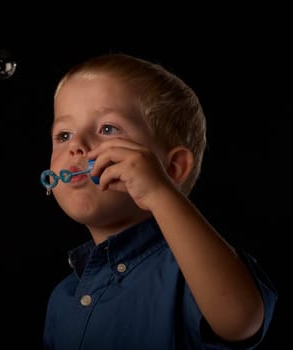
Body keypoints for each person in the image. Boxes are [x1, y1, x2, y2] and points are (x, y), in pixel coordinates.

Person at [41, 52, 277, 349]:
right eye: (63, 135)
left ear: (172, 168)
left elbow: (241, 319)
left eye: (107, 129)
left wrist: (158, 192)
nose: (76, 145)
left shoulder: (192, 271)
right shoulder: (63, 299)